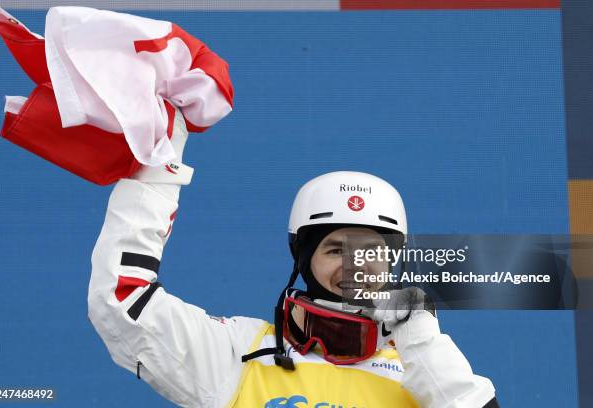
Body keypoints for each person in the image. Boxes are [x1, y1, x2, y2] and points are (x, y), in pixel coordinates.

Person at [88, 109, 499, 407]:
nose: (357, 265)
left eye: (373, 250)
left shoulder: (424, 365)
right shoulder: (238, 352)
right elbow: (123, 305)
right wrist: (159, 168)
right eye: (336, 249)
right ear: (303, 261)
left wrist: (422, 340)